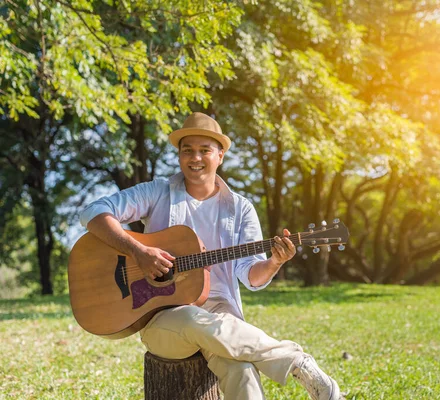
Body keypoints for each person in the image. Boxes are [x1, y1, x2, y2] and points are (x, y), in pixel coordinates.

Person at [79, 112, 342, 400]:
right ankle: (298, 363)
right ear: (179, 156)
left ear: (220, 156)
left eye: (205, 150)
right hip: (162, 320)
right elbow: (93, 211)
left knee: (242, 370)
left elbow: (251, 275)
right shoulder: (157, 192)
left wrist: (275, 261)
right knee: (194, 318)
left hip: (222, 316)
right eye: (187, 150)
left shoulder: (240, 209)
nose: (195, 158)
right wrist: (138, 251)